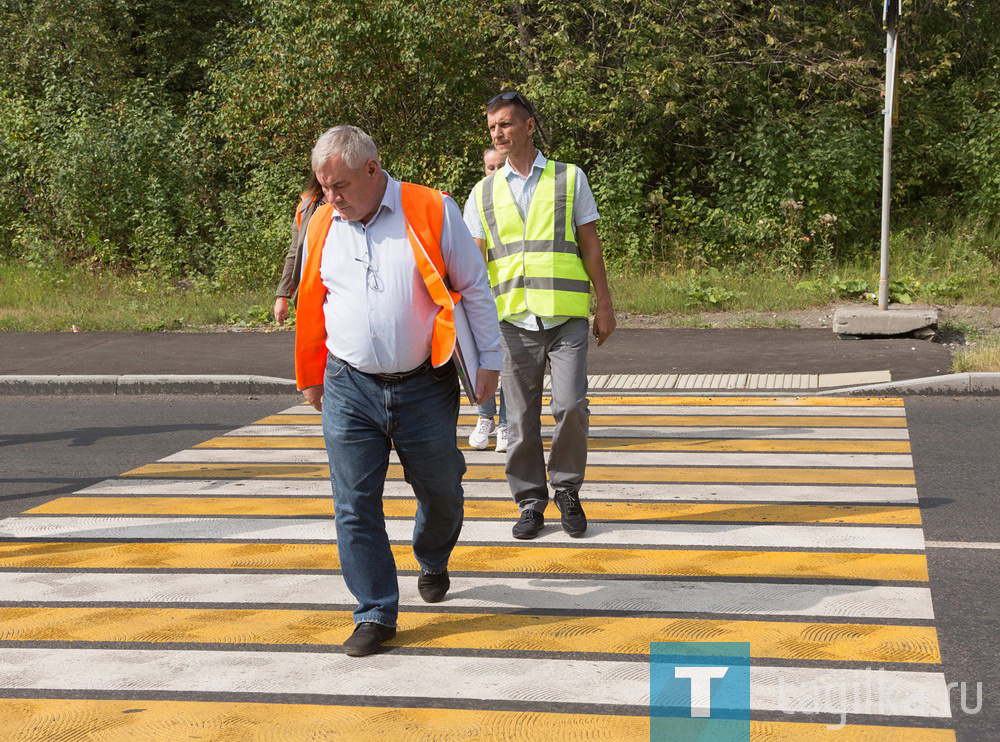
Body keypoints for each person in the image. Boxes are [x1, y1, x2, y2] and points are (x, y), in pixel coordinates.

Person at [296, 125, 502, 657]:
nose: (331, 197)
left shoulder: (432, 209)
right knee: (353, 504)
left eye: (339, 185)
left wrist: (491, 365)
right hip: (348, 385)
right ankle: (375, 611)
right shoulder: (322, 220)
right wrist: (311, 374)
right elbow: (311, 300)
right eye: (323, 186)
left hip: (424, 385)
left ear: (372, 169)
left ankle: (432, 556)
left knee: (441, 489)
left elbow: (474, 287)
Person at [464, 91, 616, 540]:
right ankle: (530, 500)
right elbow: (474, 262)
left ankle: (566, 489)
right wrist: (472, 325)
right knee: (520, 418)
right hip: (510, 320)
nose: (498, 133)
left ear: (529, 126)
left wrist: (604, 303)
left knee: (571, 406)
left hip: (565, 317)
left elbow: (589, 243)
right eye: (493, 127)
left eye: (506, 124)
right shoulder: (484, 190)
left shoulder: (570, 178)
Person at [468, 145, 509, 452]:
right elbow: (472, 250)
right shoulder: (479, 197)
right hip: (485, 295)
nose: (495, 172)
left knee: (509, 362)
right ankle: (486, 417)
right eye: (490, 167)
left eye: (500, 165)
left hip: (514, 293)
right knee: (483, 359)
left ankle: (507, 423)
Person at [273, 173, 323, 325]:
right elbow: (295, 251)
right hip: (311, 292)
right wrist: (282, 296)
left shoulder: (355, 205)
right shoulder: (306, 206)